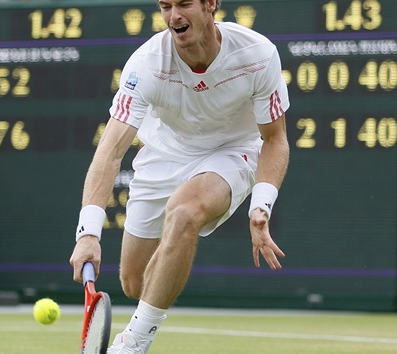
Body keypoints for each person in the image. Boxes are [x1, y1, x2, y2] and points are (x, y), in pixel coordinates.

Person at [69, 0, 290, 352]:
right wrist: (89, 233)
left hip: (233, 150)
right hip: (163, 154)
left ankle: (134, 342)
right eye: (165, 5)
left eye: (184, 3)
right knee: (135, 282)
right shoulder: (145, 66)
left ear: (211, 4)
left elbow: (275, 138)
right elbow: (110, 151)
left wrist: (261, 204)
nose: (174, 16)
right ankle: (145, 314)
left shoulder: (258, 54)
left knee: (185, 212)